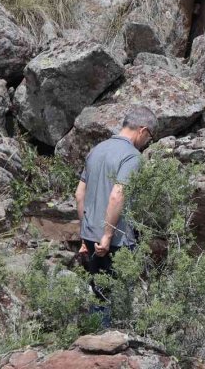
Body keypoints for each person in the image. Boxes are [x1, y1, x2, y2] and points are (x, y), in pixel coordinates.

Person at [75, 106, 157, 305]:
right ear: (143, 130)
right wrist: (107, 234)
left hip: (91, 236)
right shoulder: (132, 156)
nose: (147, 142)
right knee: (119, 301)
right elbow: (117, 195)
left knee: (99, 297)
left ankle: (95, 325)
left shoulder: (96, 150)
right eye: (149, 137)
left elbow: (79, 194)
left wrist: (85, 236)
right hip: (116, 241)